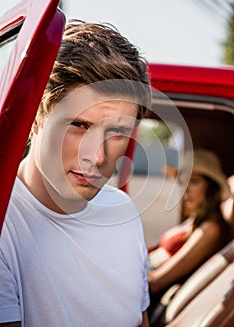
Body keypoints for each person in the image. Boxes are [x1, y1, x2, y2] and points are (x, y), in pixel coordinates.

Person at [0, 20, 152, 327]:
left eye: (116, 132)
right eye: (79, 126)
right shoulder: (4, 222)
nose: (97, 157)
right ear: (36, 118)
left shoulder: (122, 211)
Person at [148, 149, 232, 297]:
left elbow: (157, 281)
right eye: (183, 181)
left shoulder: (210, 229)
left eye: (193, 181)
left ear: (210, 187)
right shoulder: (194, 220)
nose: (185, 189)